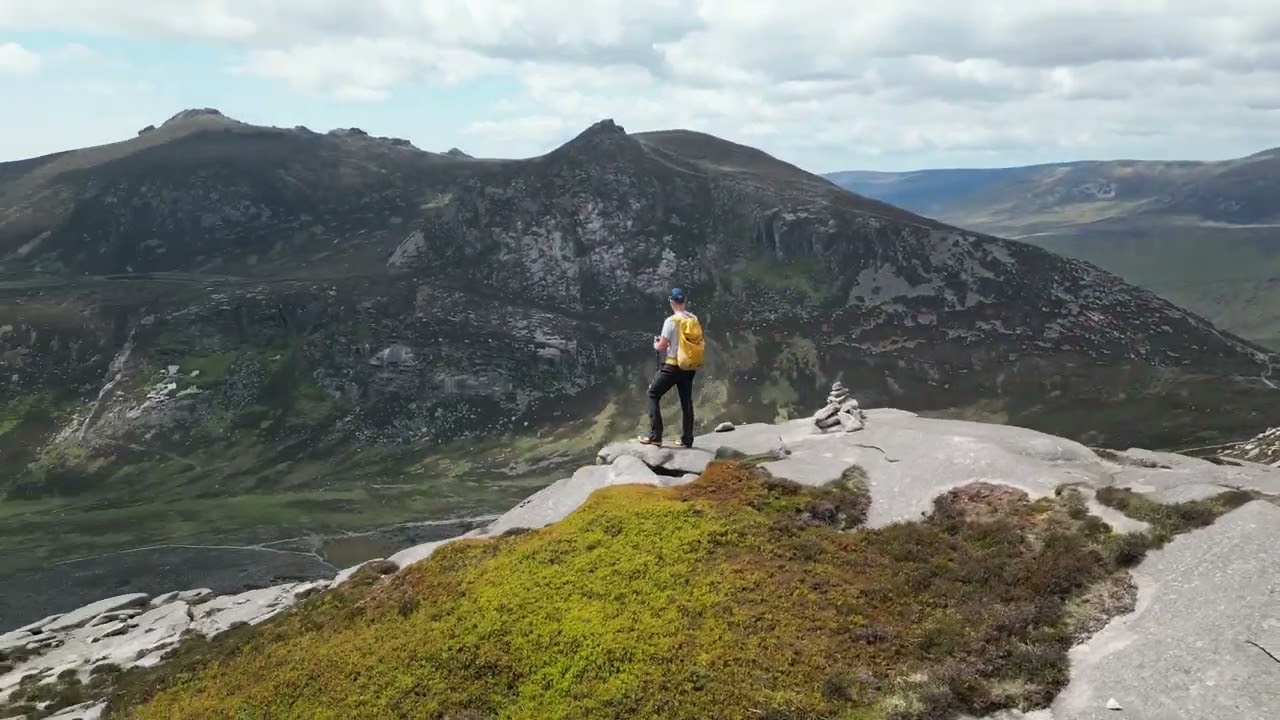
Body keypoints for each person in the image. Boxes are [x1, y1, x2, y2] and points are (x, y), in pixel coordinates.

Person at [639, 287, 704, 448]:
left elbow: (662, 346)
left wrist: (656, 344)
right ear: (684, 301)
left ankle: (656, 436)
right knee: (686, 402)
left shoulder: (671, 321)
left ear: (671, 302)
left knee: (653, 393)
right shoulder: (693, 319)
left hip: (673, 365)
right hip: (689, 366)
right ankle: (687, 439)